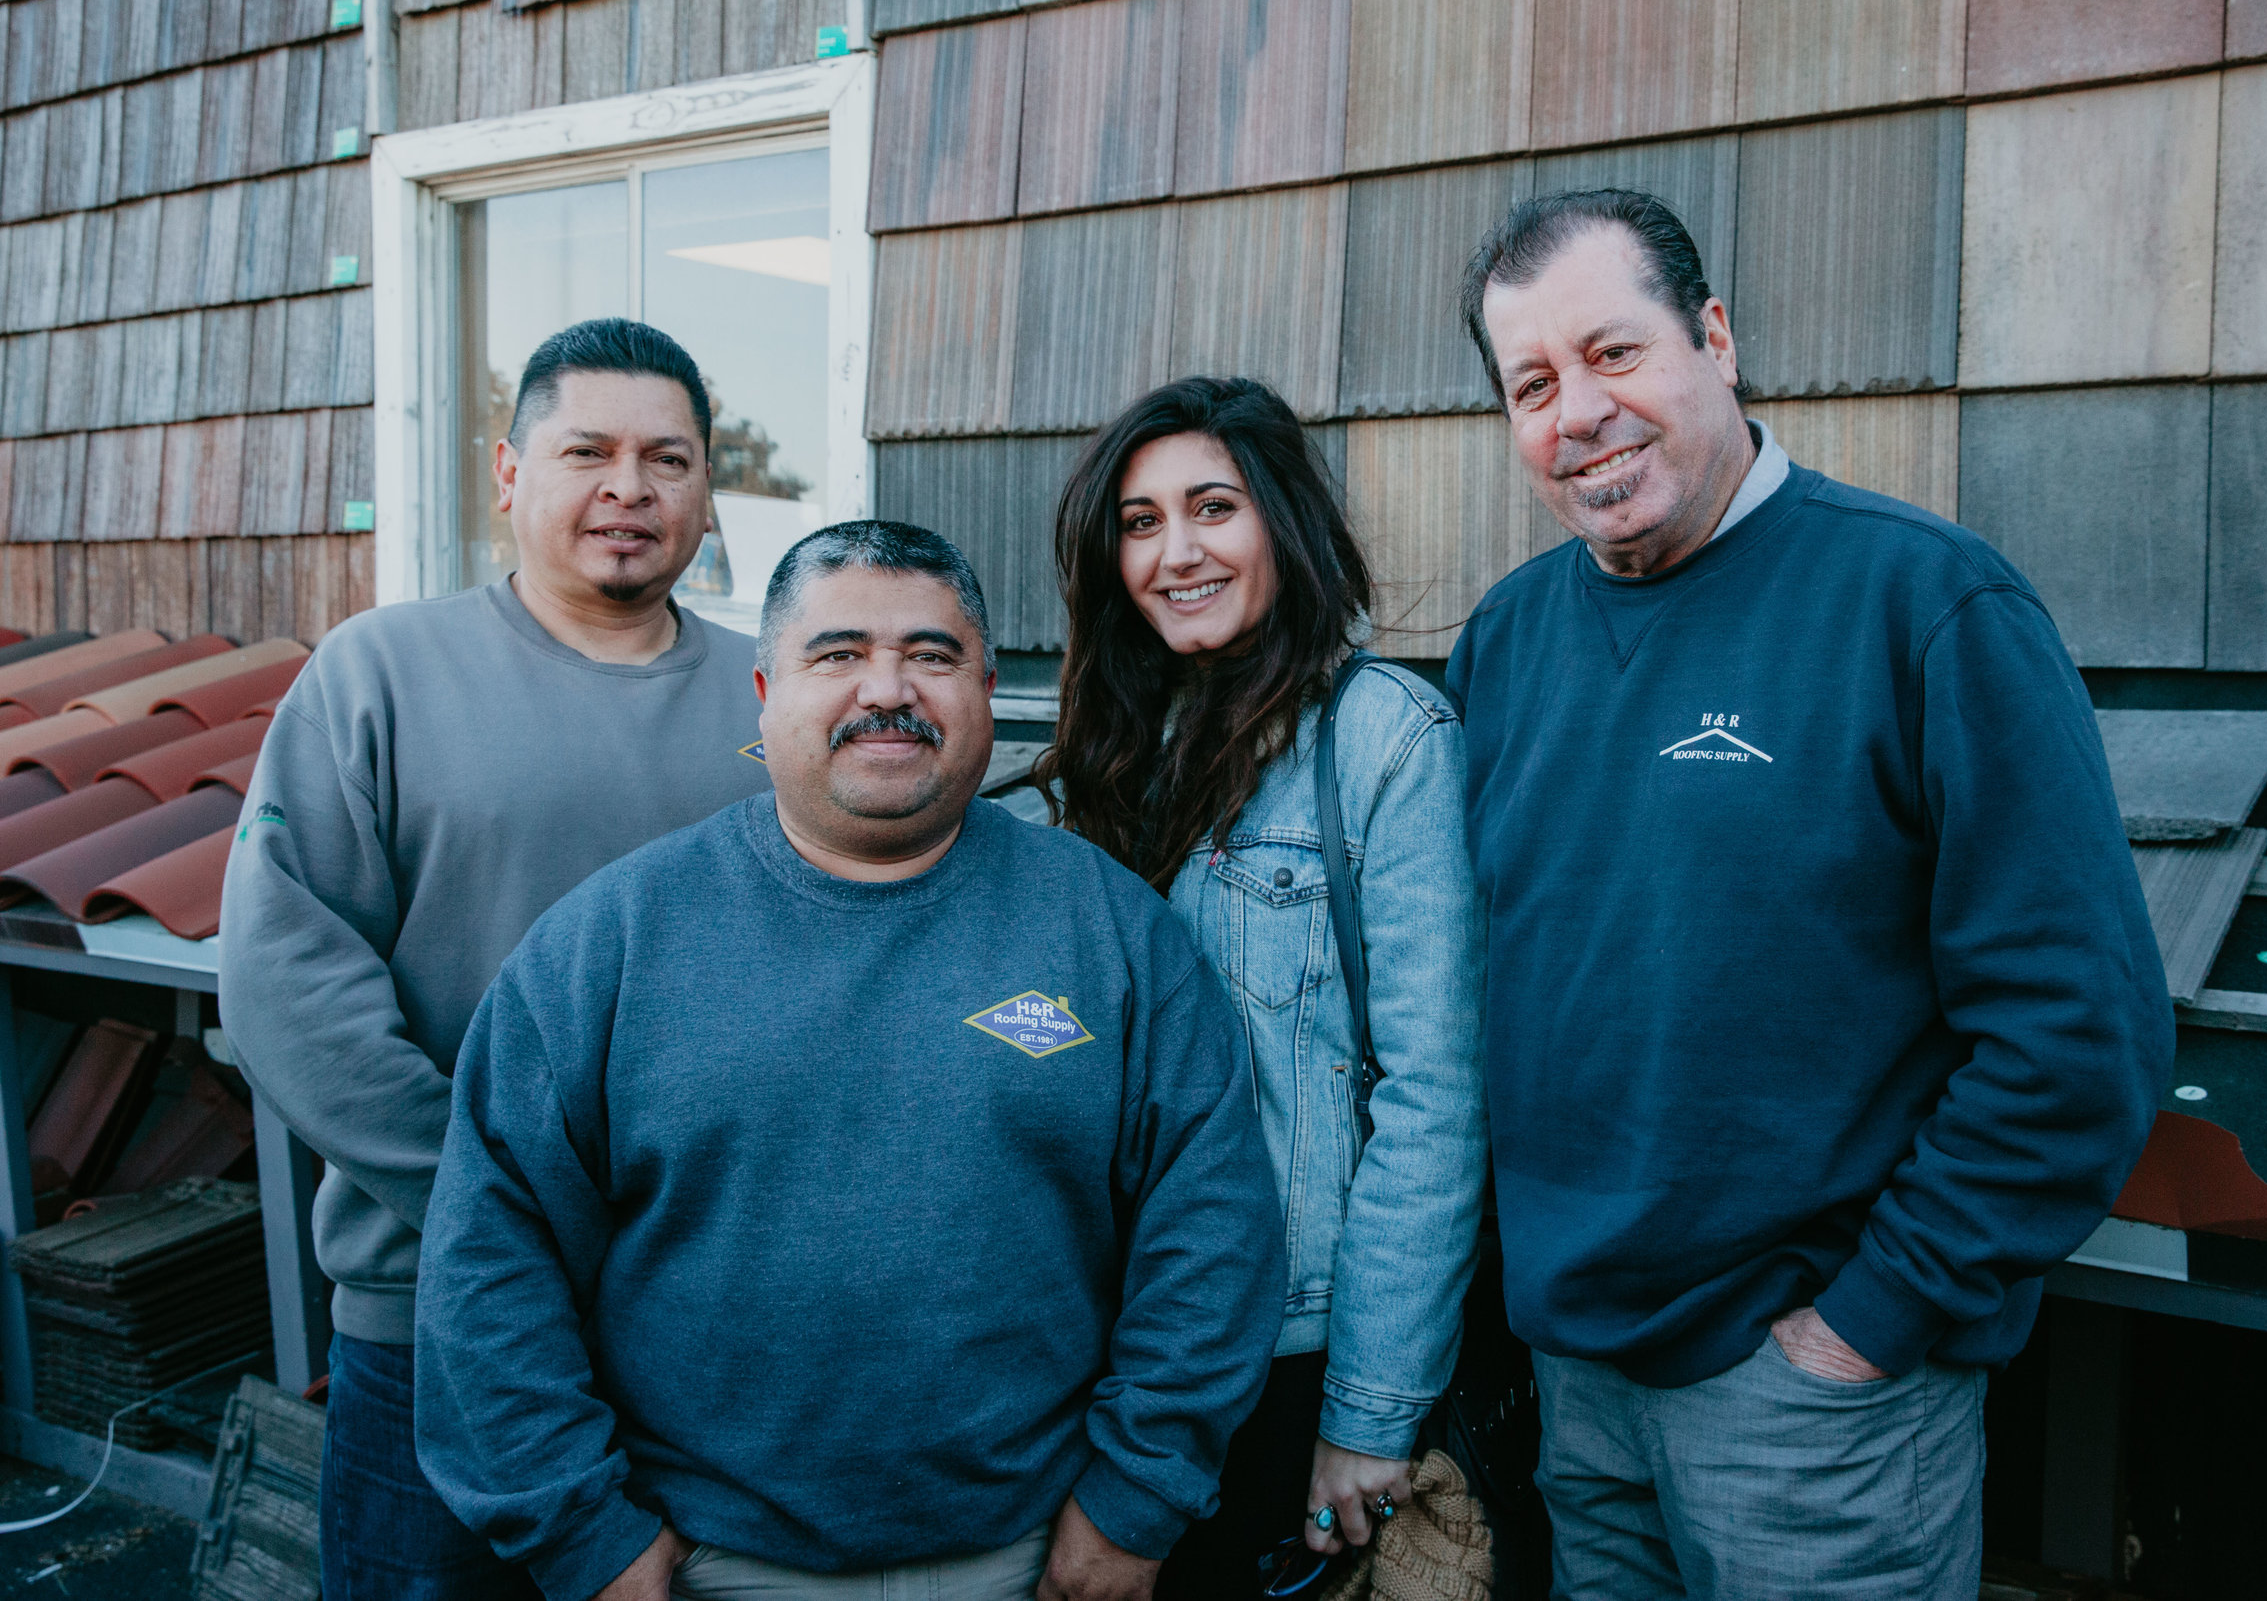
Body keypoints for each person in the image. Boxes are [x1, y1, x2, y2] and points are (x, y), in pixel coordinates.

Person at [1447, 188, 2174, 1598]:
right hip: (1577, 1382)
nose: (1578, 413)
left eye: (1613, 353)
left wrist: (1866, 1322)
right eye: (1532, 385)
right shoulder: (1509, 640)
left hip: (1814, 1409)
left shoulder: (1924, 604)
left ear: (1715, 339)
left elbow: (2079, 1032)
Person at [412, 521, 1287, 1601]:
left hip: (1037, 1555)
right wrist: (586, 1538)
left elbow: (1212, 1229)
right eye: (837, 654)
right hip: (703, 1563)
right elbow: (489, 1261)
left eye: (931, 654)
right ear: (765, 691)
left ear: (985, 687)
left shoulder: (1109, 928)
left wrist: (1137, 1497)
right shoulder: (608, 944)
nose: (888, 688)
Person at [221, 319, 769, 1599]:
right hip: (442, 1315)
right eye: (588, 451)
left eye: (669, 458)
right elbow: (288, 984)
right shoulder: (381, 671)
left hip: (714, 1325)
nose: (630, 487)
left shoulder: (778, 696)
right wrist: (500, 1206)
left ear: (706, 491)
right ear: (509, 473)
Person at [1042, 377, 1487, 1597]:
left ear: (1284, 520)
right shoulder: (1117, 739)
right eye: (1139, 522)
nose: (1175, 551)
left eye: (1212, 507)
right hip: (1123, 1338)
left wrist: (1368, 1410)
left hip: (1292, 1344)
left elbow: (1433, 1101)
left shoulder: (1386, 738)